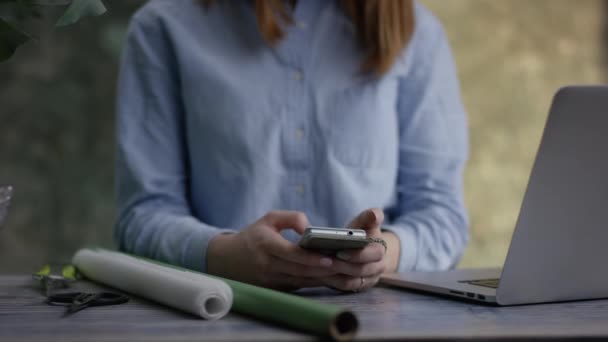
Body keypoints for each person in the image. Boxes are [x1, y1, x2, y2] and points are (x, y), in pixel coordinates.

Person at [114, 0, 469, 292]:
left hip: (383, 319)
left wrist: (383, 254)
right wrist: (224, 255)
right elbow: (142, 216)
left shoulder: (417, 32)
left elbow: (443, 217)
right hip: (220, 315)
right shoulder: (162, 27)